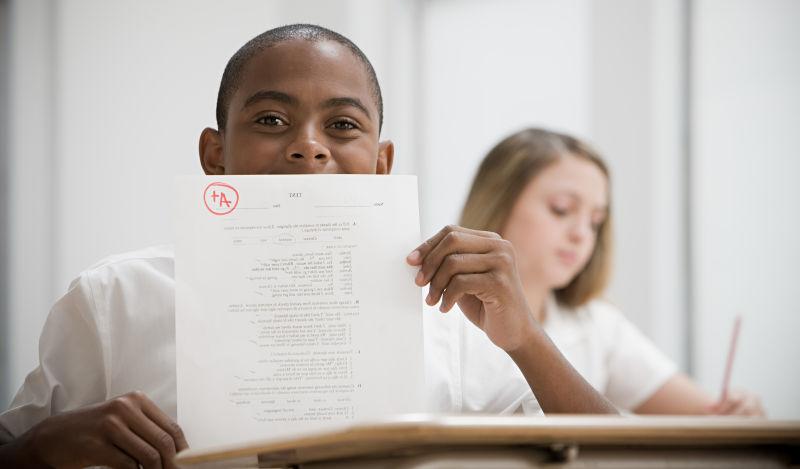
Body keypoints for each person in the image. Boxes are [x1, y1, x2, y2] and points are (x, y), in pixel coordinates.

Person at [0, 25, 616, 469]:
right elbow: (17, 448)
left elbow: (614, 462)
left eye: (343, 125)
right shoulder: (115, 300)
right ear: (215, 156)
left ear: (381, 164)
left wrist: (526, 340)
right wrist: (35, 450)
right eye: (271, 120)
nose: (308, 147)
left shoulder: (448, 318)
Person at [454, 127, 765, 416]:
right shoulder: (434, 319)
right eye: (561, 209)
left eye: (595, 222)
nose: (581, 234)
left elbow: (709, 417)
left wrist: (740, 412)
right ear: (497, 202)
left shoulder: (596, 324)